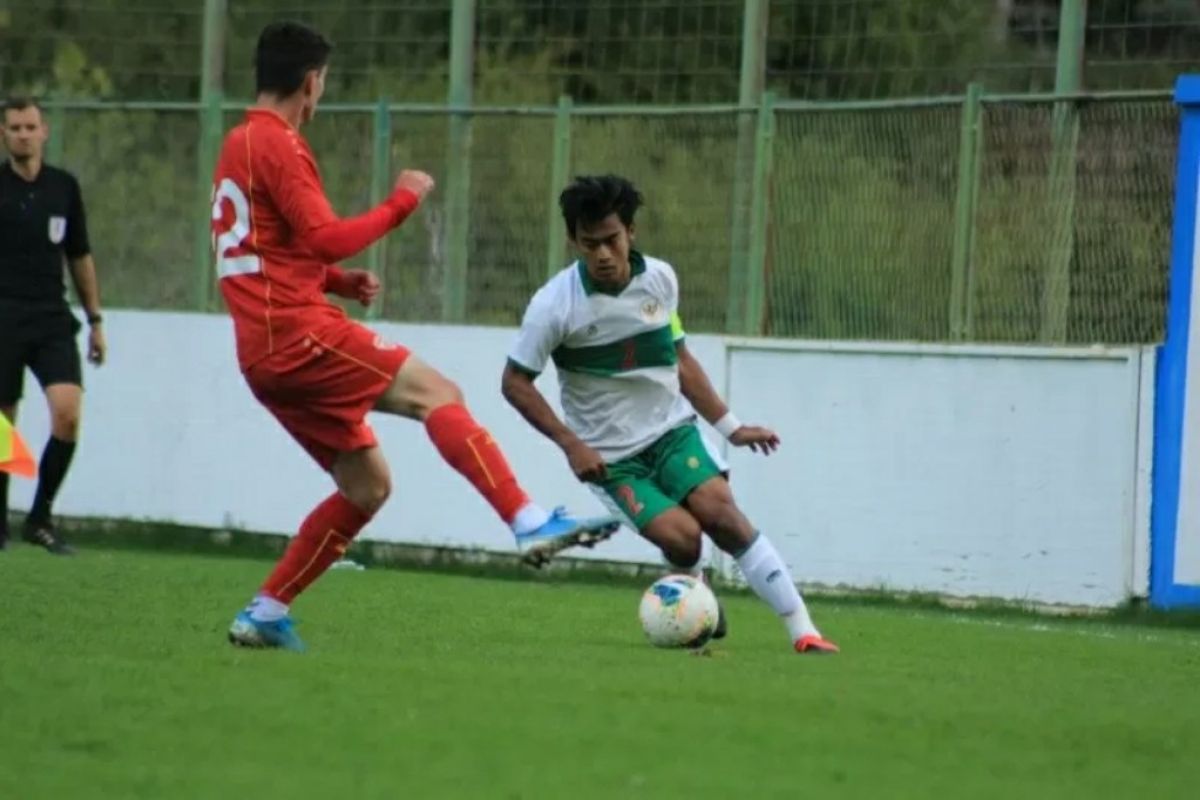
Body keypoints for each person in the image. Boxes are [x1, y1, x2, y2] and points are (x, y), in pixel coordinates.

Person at [212, 22, 617, 652]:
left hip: (261, 349)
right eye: (323, 84)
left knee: (367, 485)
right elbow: (323, 235)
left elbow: (268, 251)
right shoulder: (279, 143)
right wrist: (402, 201)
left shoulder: (237, 141)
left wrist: (338, 283)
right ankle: (527, 519)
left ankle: (266, 610)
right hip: (295, 333)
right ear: (311, 81)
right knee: (437, 392)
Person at [501, 174, 838, 654]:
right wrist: (571, 444)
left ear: (630, 233)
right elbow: (514, 382)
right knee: (684, 542)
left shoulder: (660, 279)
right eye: (590, 243)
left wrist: (732, 427)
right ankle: (700, 600)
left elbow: (679, 360)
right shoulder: (553, 306)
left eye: (611, 240)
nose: (602, 254)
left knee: (723, 516)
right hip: (611, 458)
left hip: (670, 433)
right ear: (573, 240)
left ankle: (804, 631)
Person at [0, 96, 106, 555]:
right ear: (3, 135)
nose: (23, 134)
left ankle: (40, 517)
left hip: (50, 317)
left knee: (67, 413)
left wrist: (96, 319)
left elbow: (79, 255)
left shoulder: (63, 187)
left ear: (44, 132)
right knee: (4, 427)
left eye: (30, 126)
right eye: (14, 127)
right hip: (2, 315)